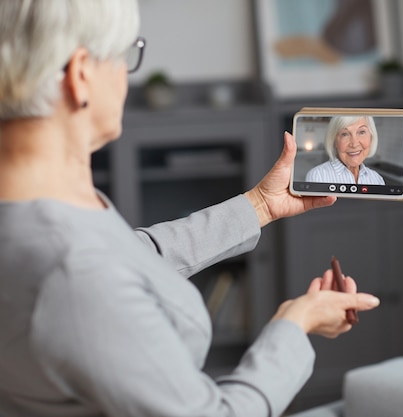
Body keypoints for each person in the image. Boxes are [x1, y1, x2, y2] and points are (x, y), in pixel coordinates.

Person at [0, 2, 380, 417]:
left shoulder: (34, 211)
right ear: (81, 75)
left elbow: (131, 254)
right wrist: (295, 324)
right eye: (126, 55)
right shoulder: (74, 271)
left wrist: (260, 206)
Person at [305, 115, 385, 185]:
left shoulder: (377, 180)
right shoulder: (318, 176)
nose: (354, 144)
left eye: (361, 132)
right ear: (334, 141)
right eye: (345, 134)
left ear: (371, 137)